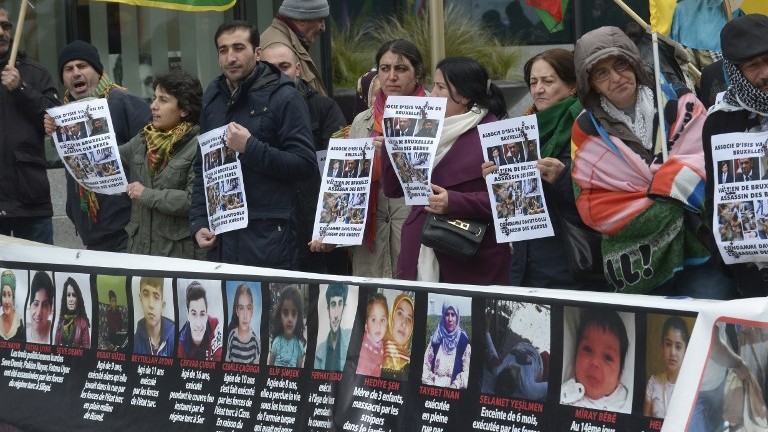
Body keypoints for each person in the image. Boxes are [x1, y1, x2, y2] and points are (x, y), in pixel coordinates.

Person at [571, 26, 734, 297]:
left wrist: (650, 192)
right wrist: (671, 187)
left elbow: (713, 166)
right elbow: (592, 205)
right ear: (591, 84)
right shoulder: (585, 130)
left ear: (634, 63)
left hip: (702, 253)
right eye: (602, 73)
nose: (616, 77)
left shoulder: (681, 101)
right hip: (637, 269)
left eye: (620, 64)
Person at [189, 21, 316, 270]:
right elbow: (202, 168)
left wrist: (251, 148)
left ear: (257, 53)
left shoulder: (284, 96)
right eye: (223, 50)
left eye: (239, 48)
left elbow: (305, 165)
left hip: (269, 239)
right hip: (222, 238)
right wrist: (199, 222)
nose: (231, 57)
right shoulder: (213, 97)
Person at [483, 49, 606, 290]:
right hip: (527, 264)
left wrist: (562, 178)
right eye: (533, 82)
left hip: (572, 264)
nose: (538, 89)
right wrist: (495, 179)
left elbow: (604, 197)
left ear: (573, 86)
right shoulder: (518, 132)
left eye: (548, 82)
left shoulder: (591, 127)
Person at [382, 56, 511, 284]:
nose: (432, 94)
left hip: (470, 257)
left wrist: (454, 201)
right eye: (434, 86)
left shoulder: (497, 133)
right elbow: (393, 189)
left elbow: (512, 203)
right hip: (419, 250)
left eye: (441, 87)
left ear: (463, 95)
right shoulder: (423, 126)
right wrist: (392, 142)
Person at [310, 39, 424, 278]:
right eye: (385, 68)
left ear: (417, 74)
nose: (391, 76)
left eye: (401, 69)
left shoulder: (434, 115)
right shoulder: (361, 121)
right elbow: (347, 187)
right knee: (374, 310)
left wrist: (396, 155)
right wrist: (333, 233)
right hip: (371, 242)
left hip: (417, 234)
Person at [44, 40, 151, 252]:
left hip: (127, 231)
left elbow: (152, 158)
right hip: (92, 231)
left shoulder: (125, 103)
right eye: (68, 69)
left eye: (82, 66)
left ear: (98, 71)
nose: (75, 73)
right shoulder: (63, 114)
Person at [261, 42, 346, 274]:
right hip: (268, 229)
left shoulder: (324, 108)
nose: (278, 74)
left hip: (315, 231)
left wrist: (331, 228)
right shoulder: (250, 112)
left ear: (298, 70)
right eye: (270, 68)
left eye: (284, 66)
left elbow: (339, 173)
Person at [703, 14, 768, 298]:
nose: (764, 72)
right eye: (753, 66)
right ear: (735, 71)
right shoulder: (719, 122)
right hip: (753, 268)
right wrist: (728, 257)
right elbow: (715, 193)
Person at [118, 71, 206, 260]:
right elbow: (107, 157)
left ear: (184, 109)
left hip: (178, 258)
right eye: (154, 98)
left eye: (163, 100)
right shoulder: (144, 139)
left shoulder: (199, 145)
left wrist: (147, 195)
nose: (153, 106)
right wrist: (61, 130)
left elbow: (194, 200)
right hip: (140, 253)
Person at [0, 6, 59, 244]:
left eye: (5, 26)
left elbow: (57, 119)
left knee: (40, 278)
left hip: (30, 200)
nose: (2, 32)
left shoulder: (35, 74)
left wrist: (21, 88)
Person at [561, 309, 630, 413]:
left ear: (619, 376)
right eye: (587, 349)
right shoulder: (566, 394)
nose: (595, 362)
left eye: (608, 357)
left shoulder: (627, 403)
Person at [260, 0, 329, 96]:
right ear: (301, 20)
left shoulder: (290, 43)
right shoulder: (278, 49)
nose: (323, 27)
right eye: (320, 20)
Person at [643, 316, 689, 418]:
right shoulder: (653, 383)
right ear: (662, 348)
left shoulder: (691, 387)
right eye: (668, 344)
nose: (672, 352)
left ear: (685, 351)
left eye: (678, 347)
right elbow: (645, 424)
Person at [422, 301, 471, 389]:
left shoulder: (463, 341)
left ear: (457, 317)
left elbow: (467, 372)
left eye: (453, 315)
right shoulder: (436, 338)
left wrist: (455, 385)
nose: (450, 319)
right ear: (443, 316)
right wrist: (430, 386)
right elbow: (425, 365)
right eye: (447, 314)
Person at [177, 281, 222, 361]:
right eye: (194, 314)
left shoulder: (214, 326)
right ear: (187, 314)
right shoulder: (180, 345)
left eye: (202, 314)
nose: (198, 324)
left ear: (207, 313)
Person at [133, 277, 174, 356]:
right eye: (146, 295)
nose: (151, 305)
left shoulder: (175, 338)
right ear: (140, 299)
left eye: (156, 297)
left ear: (162, 306)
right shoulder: (135, 343)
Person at [314, 284, 351, 371]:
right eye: (333, 304)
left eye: (340, 304)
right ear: (328, 310)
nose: (336, 315)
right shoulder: (319, 352)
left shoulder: (351, 338)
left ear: (344, 309)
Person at [268, 285, 305, 367]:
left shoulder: (299, 346)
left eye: (294, 313)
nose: (290, 319)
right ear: (280, 315)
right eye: (285, 313)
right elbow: (269, 370)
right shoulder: (276, 342)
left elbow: (299, 376)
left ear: (298, 317)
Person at [381, 293, 414, 380]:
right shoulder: (373, 352)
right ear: (391, 317)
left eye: (409, 319)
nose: (404, 323)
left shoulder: (412, 368)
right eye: (400, 314)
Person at [225, 284, 260, 363]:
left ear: (252, 311)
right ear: (237, 311)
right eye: (241, 308)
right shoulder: (231, 337)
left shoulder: (255, 342)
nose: (245, 315)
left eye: (248, 308)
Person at [356, 293, 388, 377]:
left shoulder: (380, 344)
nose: (378, 325)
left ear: (387, 324)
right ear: (366, 325)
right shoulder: (364, 350)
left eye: (382, 320)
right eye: (373, 319)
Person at [54, 277, 91, 348]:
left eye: (74, 295)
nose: (71, 299)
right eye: (68, 295)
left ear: (78, 299)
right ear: (65, 299)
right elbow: (55, 348)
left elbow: (87, 352)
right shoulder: (61, 322)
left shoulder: (83, 323)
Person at [26, 271, 53, 344]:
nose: (38, 313)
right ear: (30, 306)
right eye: (35, 304)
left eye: (44, 305)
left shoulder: (57, 334)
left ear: (50, 309)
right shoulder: (21, 334)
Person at [0, 270, 24, 341]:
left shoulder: (19, 325)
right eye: (4, 295)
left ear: (13, 297)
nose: (7, 301)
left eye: (9, 295)